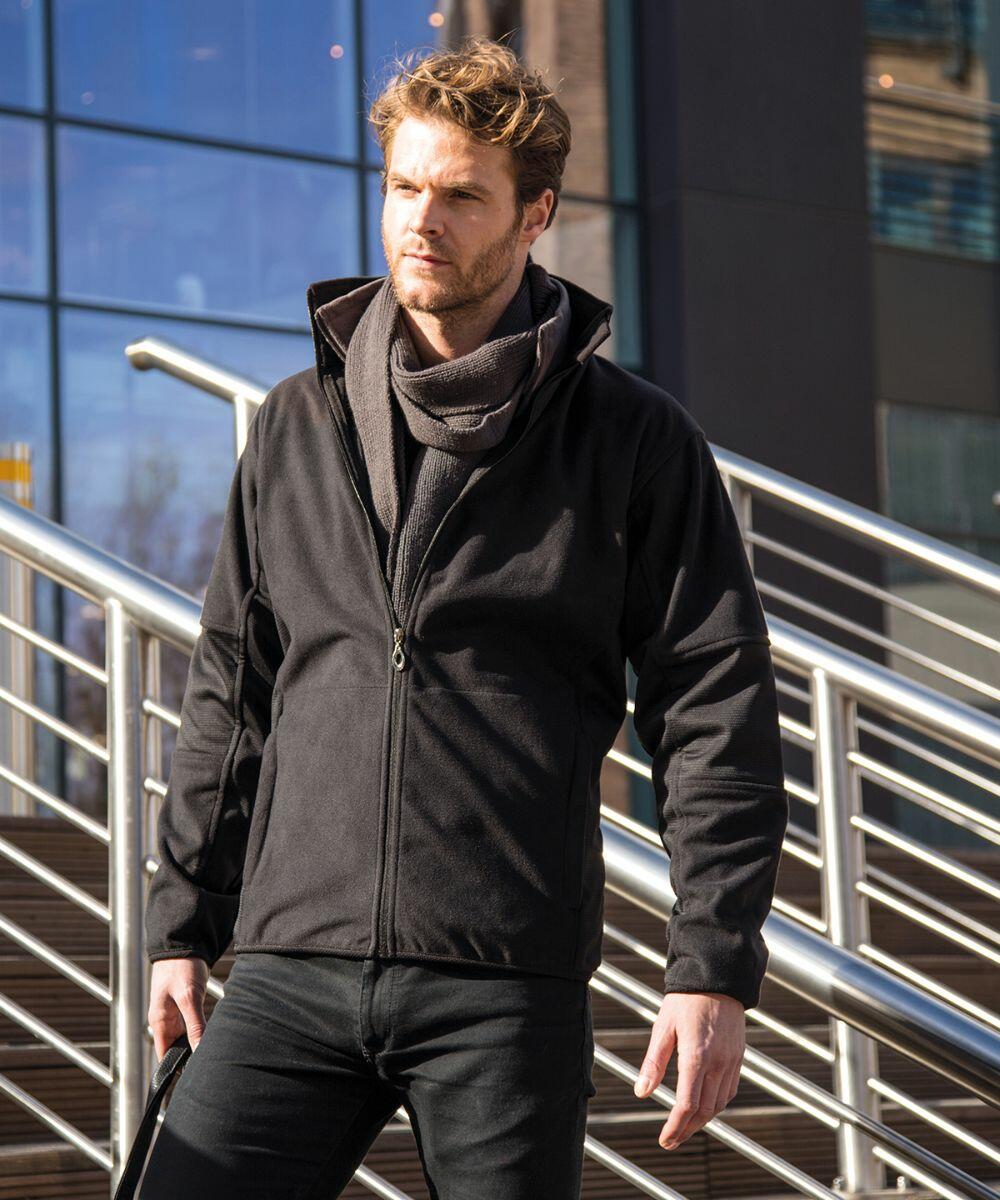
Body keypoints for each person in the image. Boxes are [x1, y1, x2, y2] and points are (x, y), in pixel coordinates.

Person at [139, 34, 788, 1200]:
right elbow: (232, 687)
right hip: (291, 960)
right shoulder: (296, 420)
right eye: (401, 187)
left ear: (534, 215)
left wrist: (712, 966)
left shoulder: (631, 440)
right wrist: (184, 919)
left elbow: (714, 705)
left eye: (460, 197)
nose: (419, 222)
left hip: (503, 977)